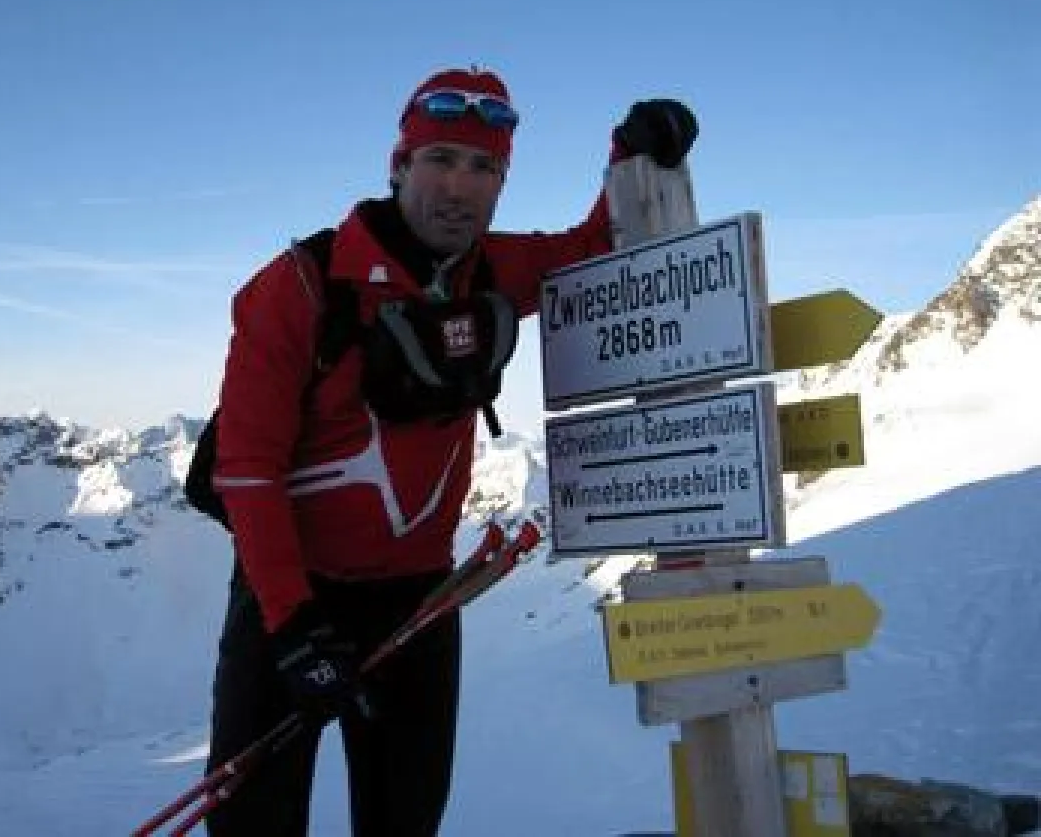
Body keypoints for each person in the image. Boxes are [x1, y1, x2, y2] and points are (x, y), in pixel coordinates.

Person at [204, 66, 697, 837]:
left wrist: (630, 154)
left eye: (484, 167)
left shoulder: (489, 271)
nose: (459, 187)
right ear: (399, 165)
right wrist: (293, 630)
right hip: (291, 599)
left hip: (420, 601)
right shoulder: (298, 288)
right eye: (439, 158)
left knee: (405, 820)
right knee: (252, 824)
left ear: (501, 183)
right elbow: (247, 470)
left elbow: (589, 247)